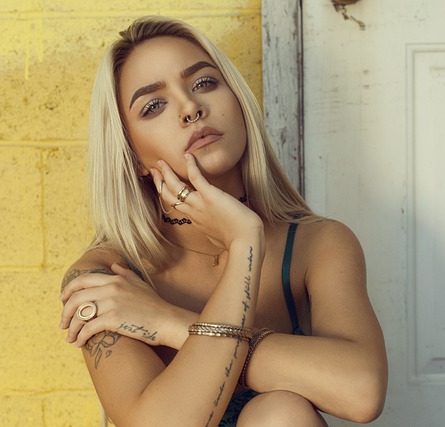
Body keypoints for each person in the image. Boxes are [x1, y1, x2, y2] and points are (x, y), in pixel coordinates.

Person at [58, 16, 387, 427]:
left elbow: (362, 392)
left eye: (204, 83)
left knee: (280, 414)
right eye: (153, 105)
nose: (190, 108)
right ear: (133, 154)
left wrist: (172, 321)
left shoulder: (318, 244)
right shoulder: (105, 278)